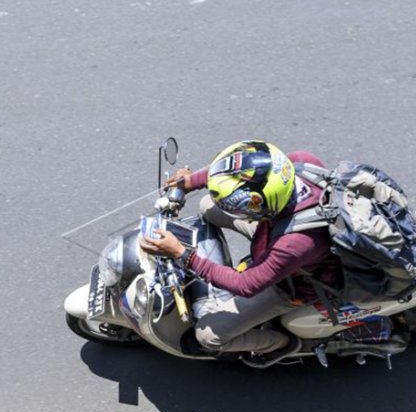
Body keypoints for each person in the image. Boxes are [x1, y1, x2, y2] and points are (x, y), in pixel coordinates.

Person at [139, 140, 340, 363]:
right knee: (209, 204)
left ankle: (282, 345)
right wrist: (189, 181)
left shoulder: (295, 243)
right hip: (276, 231)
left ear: (263, 207)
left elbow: (246, 285)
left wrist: (183, 255)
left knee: (208, 336)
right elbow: (240, 172)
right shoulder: (299, 162)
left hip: (293, 285)